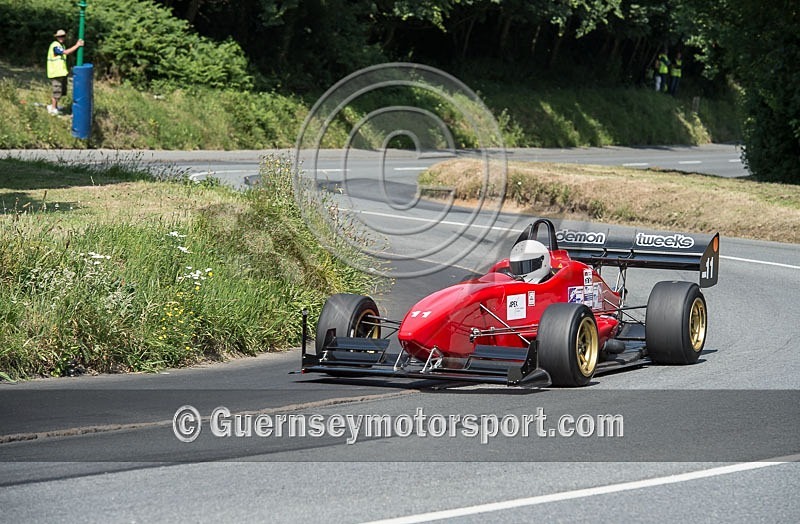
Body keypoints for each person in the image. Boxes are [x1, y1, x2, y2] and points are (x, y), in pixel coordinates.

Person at [46, 29, 83, 115]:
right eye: (60, 36)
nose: (61, 38)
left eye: (63, 36)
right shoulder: (55, 45)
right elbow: (66, 53)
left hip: (61, 73)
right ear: (57, 37)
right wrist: (77, 45)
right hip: (55, 73)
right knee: (57, 91)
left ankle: (54, 106)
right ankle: (53, 109)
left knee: (61, 91)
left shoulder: (61, 45)